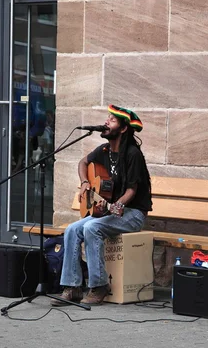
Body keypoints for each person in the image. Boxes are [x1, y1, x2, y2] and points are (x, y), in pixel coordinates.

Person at [52, 105, 152, 306]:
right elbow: (82, 163)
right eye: (107, 118)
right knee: (72, 229)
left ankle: (99, 286)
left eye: (112, 120)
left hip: (132, 213)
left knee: (91, 227)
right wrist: (85, 183)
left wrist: (118, 205)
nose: (106, 122)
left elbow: (131, 191)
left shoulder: (133, 154)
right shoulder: (104, 150)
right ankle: (72, 287)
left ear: (123, 129)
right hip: (110, 213)